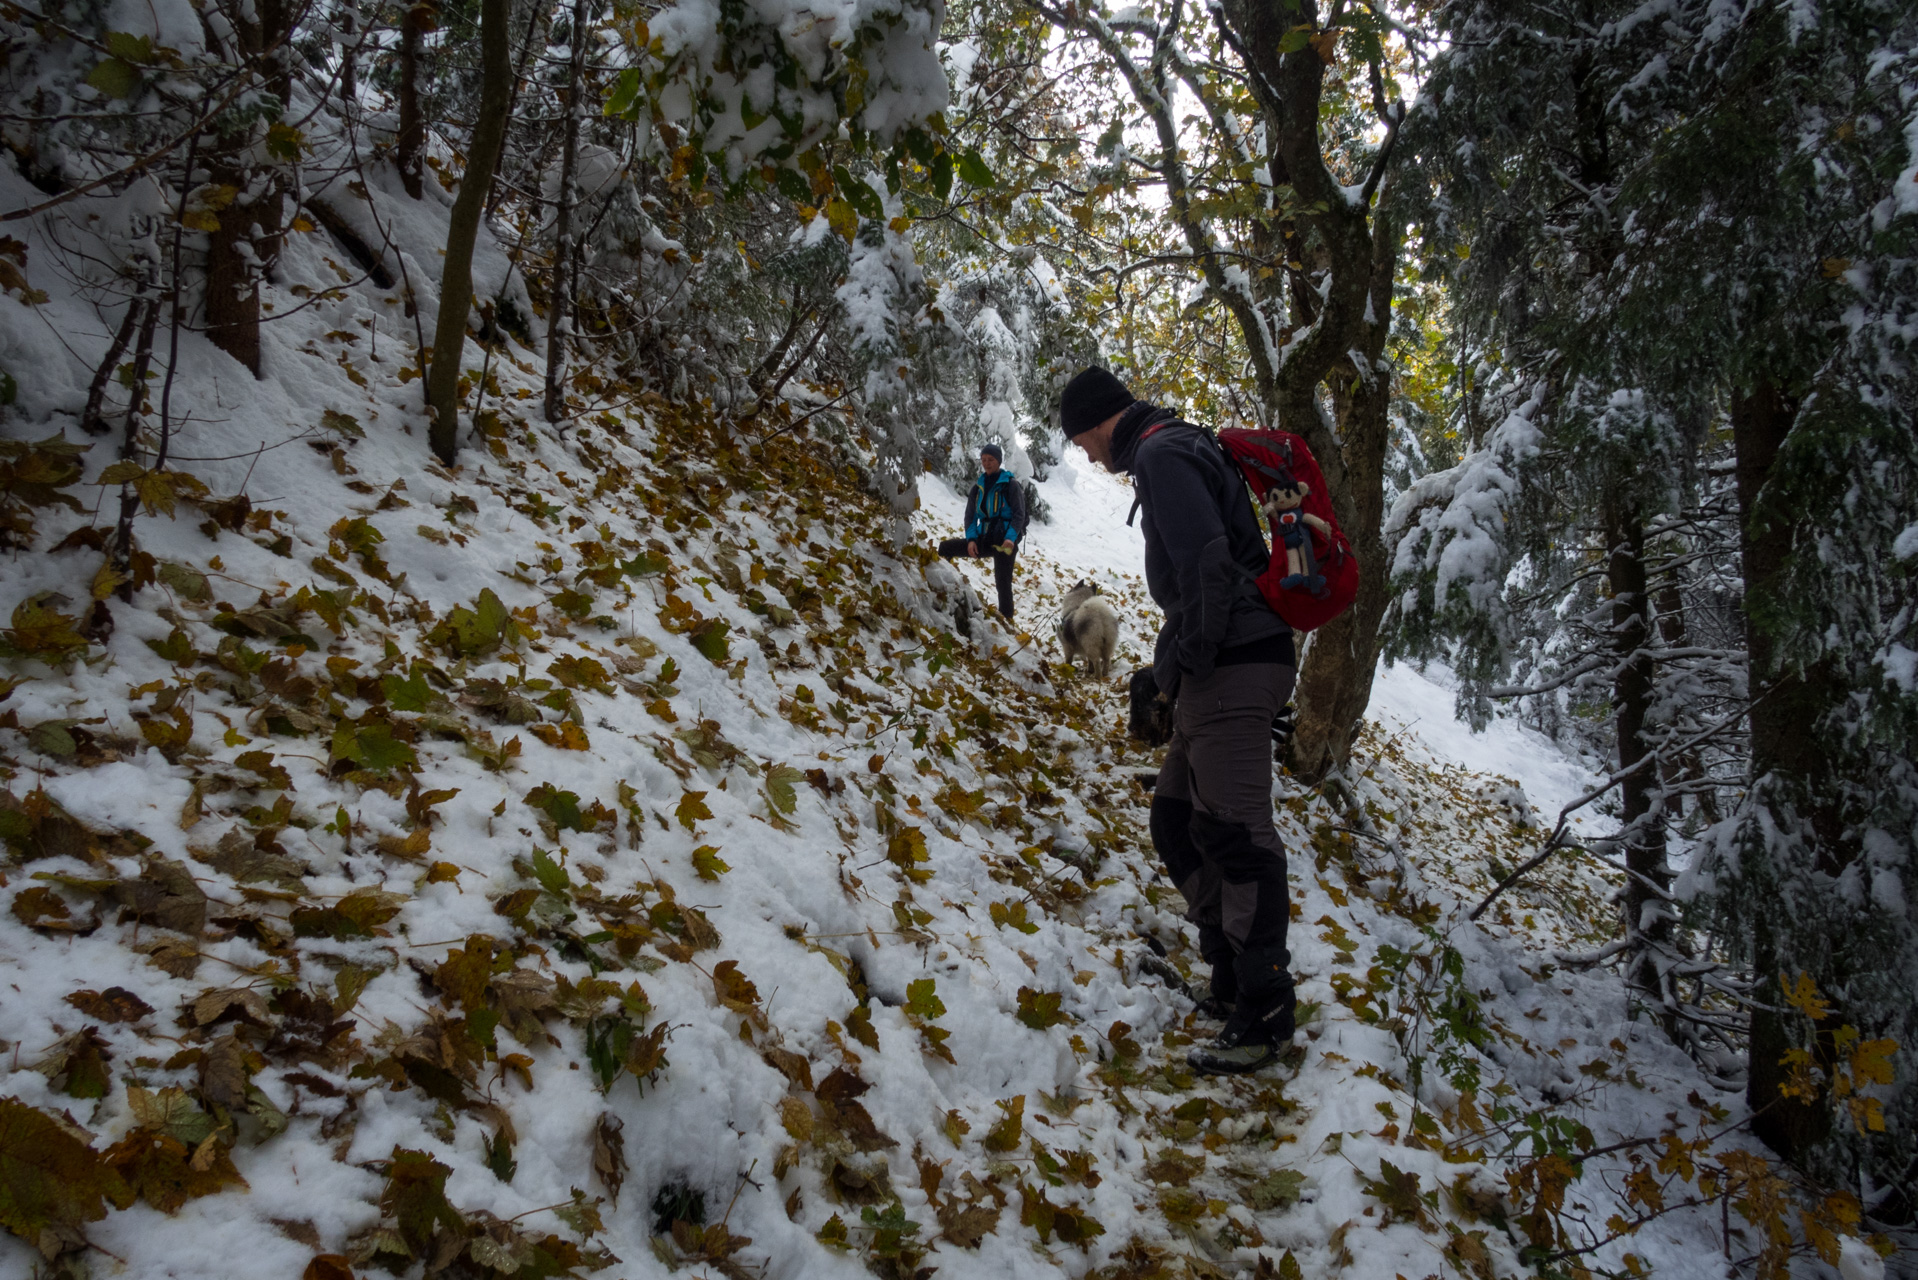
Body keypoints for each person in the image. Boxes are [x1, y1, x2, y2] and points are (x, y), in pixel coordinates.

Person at [1058, 366, 1298, 1075]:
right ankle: (1230, 977)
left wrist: (1187, 659)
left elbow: (1206, 565)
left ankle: (1267, 1010)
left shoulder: (1162, 454)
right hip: (1220, 665)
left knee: (1240, 838)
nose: (1088, 457)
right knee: (1176, 820)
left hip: (1232, 665)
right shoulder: (1172, 446)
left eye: (1081, 442)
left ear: (1099, 420)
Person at [936, 443, 1027, 620]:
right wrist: (971, 540)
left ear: (999, 461)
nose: (987, 463)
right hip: (984, 537)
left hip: (1005, 541)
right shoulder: (978, 488)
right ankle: (940, 589)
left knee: (1003, 582)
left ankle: (1006, 621)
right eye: (984, 459)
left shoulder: (1010, 485)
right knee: (945, 547)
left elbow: (1019, 515)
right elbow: (970, 516)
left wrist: (1010, 538)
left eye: (991, 460)